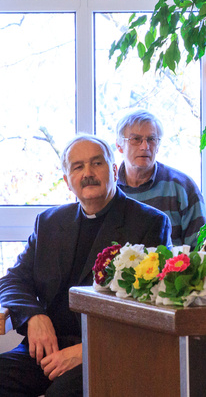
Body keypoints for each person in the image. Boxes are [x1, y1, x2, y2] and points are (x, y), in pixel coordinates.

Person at [0, 134, 172, 397]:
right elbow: (13, 280)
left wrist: (87, 351)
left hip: (108, 352)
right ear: (68, 181)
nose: (88, 173)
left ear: (114, 171)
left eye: (97, 164)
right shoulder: (48, 222)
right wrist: (35, 316)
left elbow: (150, 308)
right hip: (47, 348)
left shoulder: (149, 223)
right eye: (78, 167)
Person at [116, 109, 206, 249]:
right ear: (119, 146)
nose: (145, 146)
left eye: (151, 139)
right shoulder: (108, 189)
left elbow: (200, 252)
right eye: (136, 139)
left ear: (158, 145)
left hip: (173, 270)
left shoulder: (182, 187)